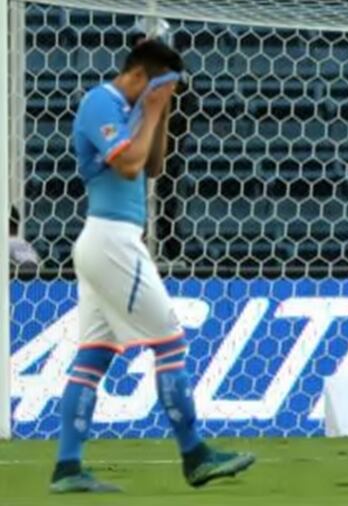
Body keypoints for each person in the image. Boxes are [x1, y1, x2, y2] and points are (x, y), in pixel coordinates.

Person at [51, 40, 254, 493]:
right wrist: (151, 108)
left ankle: (67, 467)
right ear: (141, 76)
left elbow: (154, 165)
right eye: (161, 87)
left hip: (107, 242)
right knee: (170, 342)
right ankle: (195, 456)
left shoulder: (131, 112)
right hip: (111, 240)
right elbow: (127, 166)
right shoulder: (99, 101)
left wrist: (159, 113)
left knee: (93, 356)